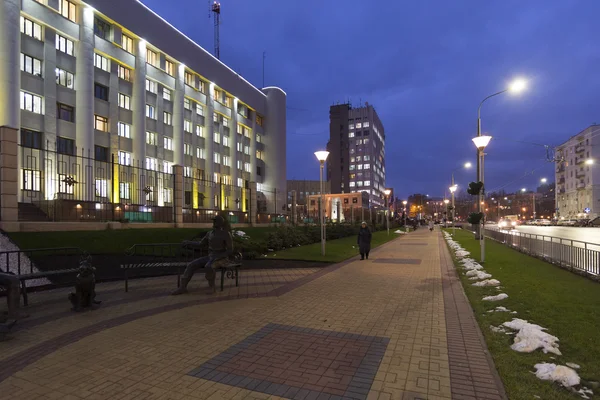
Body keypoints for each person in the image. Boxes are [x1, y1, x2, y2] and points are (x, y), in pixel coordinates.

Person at [171, 215, 233, 295]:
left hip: (222, 258)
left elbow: (230, 250)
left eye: (215, 221)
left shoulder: (226, 234)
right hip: (210, 257)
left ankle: (211, 287)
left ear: (220, 223)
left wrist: (219, 256)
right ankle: (183, 287)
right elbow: (200, 244)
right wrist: (189, 242)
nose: (213, 223)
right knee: (191, 265)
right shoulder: (209, 233)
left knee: (209, 266)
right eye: (213, 221)